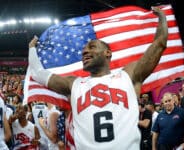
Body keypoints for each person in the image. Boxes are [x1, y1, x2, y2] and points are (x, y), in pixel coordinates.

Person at [28, 6, 168, 150]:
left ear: (108, 53)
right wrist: (32, 48)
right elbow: (38, 73)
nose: (85, 51)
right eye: (84, 50)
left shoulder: (128, 75)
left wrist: (162, 17)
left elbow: (159, 44)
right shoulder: (73, 84)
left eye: (92, 47)